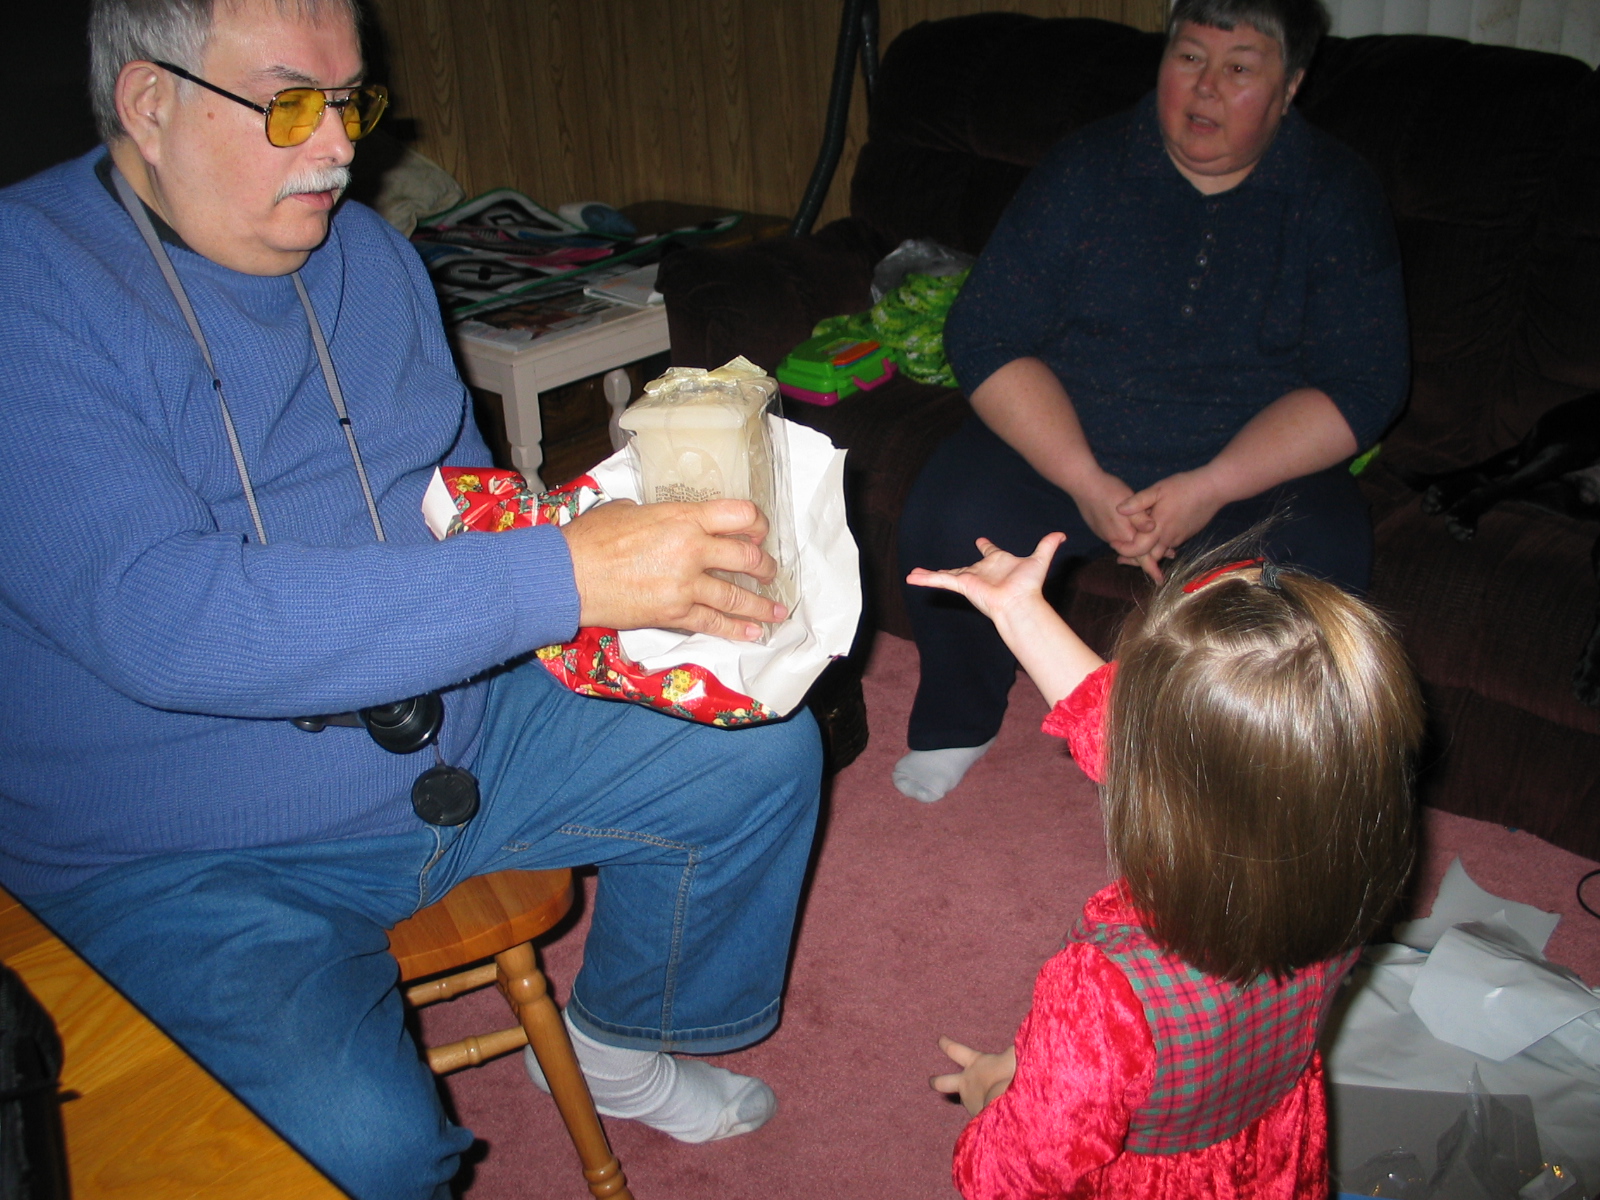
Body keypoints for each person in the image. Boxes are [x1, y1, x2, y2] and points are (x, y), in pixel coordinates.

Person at [0, 2, 821, 1196]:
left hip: (462, 736)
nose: (342, 146)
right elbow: (162, 620)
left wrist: (616, 565)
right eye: (291, 103)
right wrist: (565, 575)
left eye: (351, 101)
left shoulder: (372, 257)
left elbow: (453, 499)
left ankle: (612, 1047)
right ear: (150, 102)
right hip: (186, 848)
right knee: (361, 1151)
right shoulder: (24, 292)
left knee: (759, 753)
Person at [893, 0, 1409, 803]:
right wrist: (1084, 479)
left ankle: (1227, 779)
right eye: (1189, 57)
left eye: (1239, 68)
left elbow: (1365, 385)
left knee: (1314, 570)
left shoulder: (1336, 193)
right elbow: (983, 335)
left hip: (1248, 462)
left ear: (1290, 87)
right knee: (950, 517)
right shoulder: (1086, 168)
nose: (1205, 88)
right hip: (1073, 436)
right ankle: (961, 718)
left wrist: (1210, 485)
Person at [907, 532, 1422, 1197]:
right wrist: (1020, 610)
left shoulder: (1108, 990)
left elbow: (1011, 1174)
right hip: (1269, 1152)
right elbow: (1150, 744)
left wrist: (993, 1093)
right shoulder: (1354, 865)